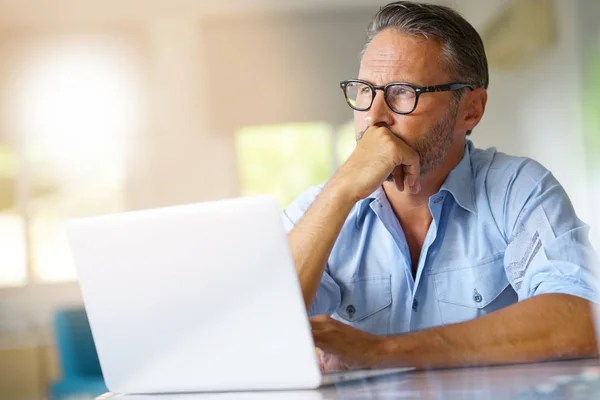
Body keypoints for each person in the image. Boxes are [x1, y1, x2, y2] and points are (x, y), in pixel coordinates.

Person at [283, 1, 599, 372]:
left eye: (402, 92)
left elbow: (580, 319)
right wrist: (341, 190)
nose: (375, 117)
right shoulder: (322, 206)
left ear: (471, 110)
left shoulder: (519, 189)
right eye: (365, 90)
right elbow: (260, 323)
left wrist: (382, 352)